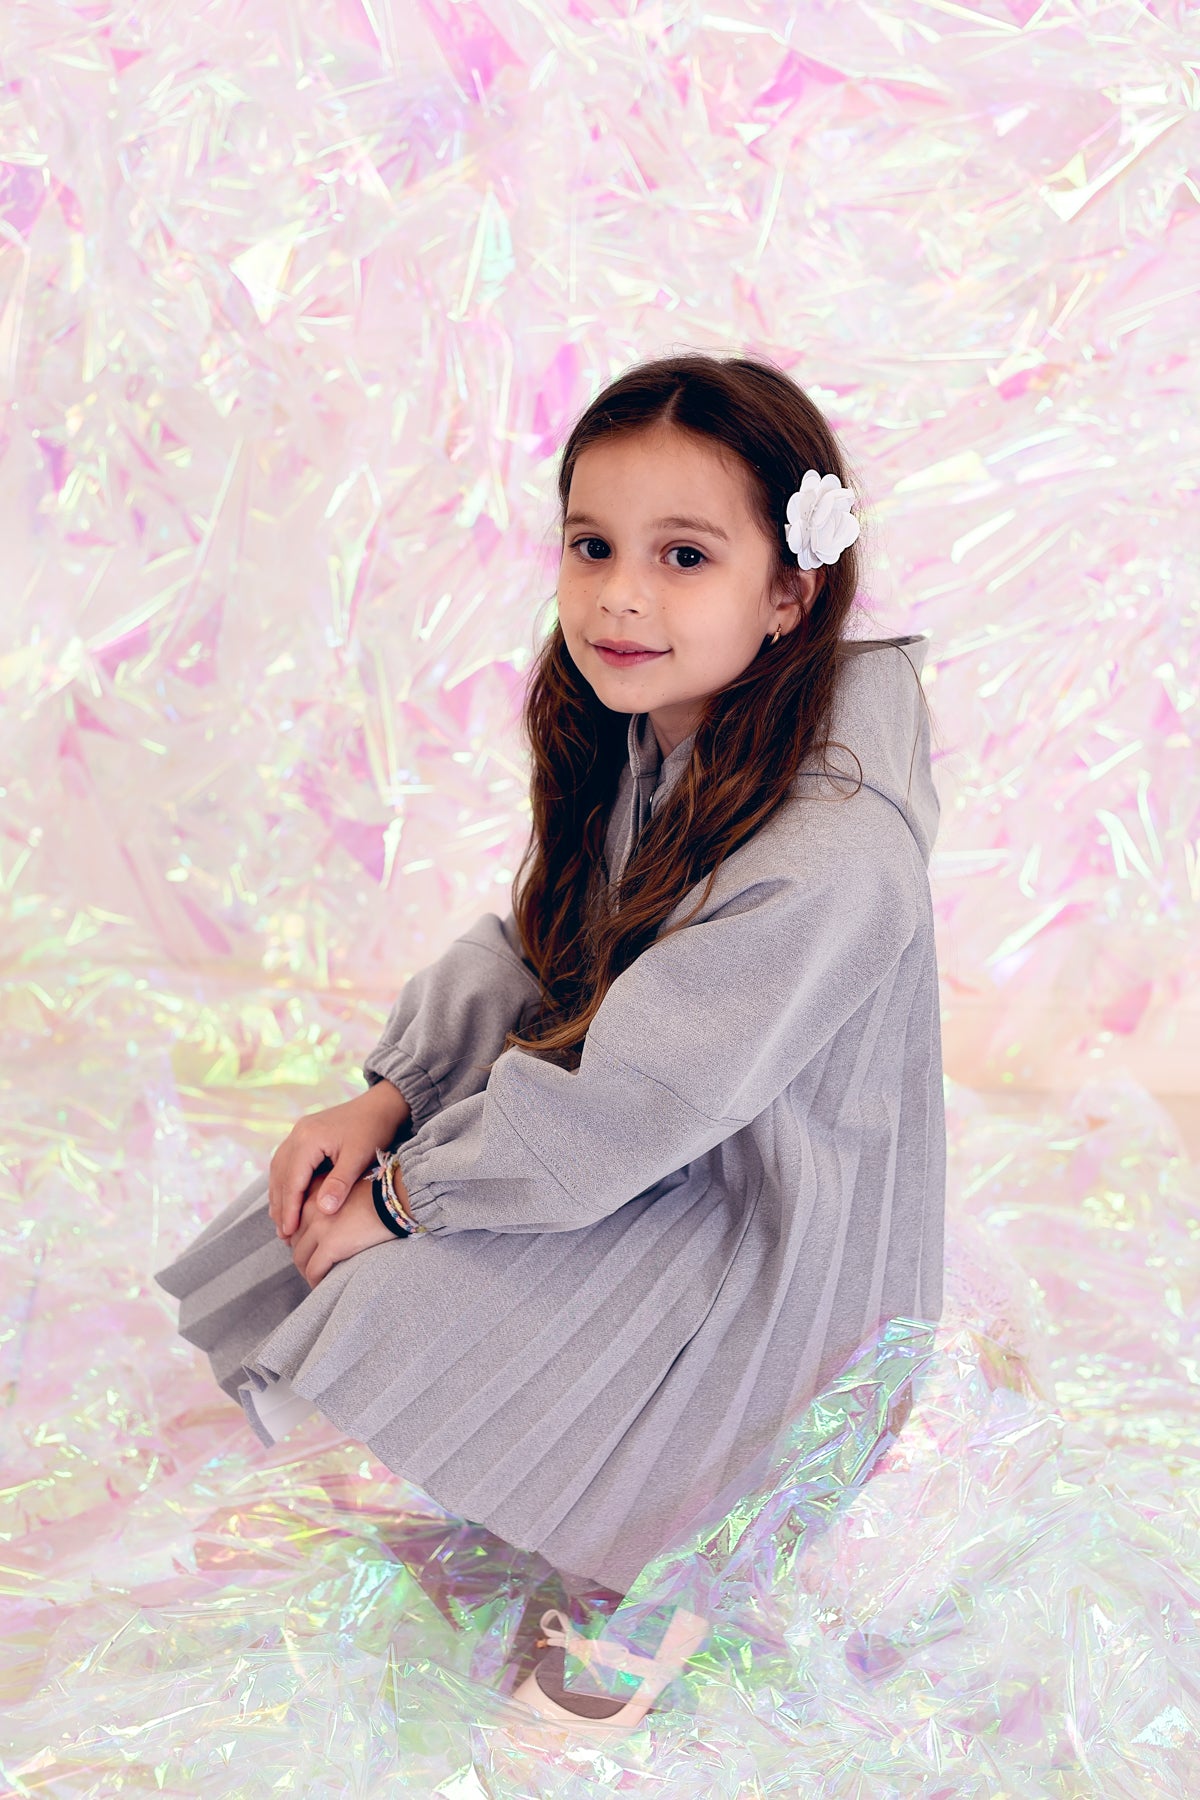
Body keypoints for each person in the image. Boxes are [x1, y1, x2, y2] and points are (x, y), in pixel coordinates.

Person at [155, 351, 946, 1739]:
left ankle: (658, 1571)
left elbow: (631, 1101)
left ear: (788, 591)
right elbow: (546, 945)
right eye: (592, 546)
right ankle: (554, 1464)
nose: (621, 595)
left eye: (683, 555)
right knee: (345, 1221)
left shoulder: (831, 848)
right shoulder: (649, 729)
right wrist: (392, 1096)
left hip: (770, 1232)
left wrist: (412, 1197)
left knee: (390, 1273)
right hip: (655, 1148)